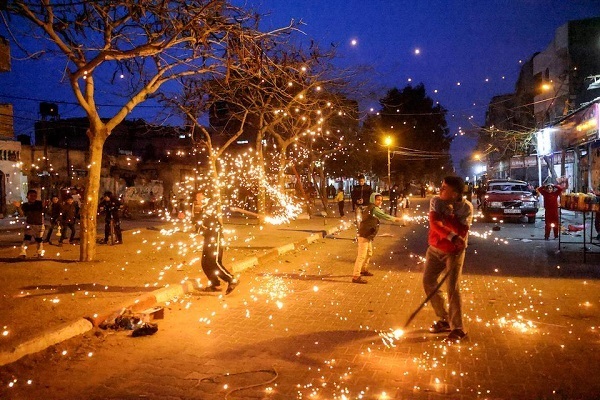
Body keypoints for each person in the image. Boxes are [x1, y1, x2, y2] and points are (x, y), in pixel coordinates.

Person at [423, 176, 473, 343]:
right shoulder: (436, 201)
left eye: (445, 188)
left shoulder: (466, 208)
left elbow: (462, 232)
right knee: (428, 282)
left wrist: (450, 217)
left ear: (455, 194)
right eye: (441, 186)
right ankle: (444, 318)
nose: (440, 190)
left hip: (454, 252)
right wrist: (451, 236)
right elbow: (434, 224)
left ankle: (459, 328)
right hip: (435, 249)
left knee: (452, 287)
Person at [352, 192, 403, 284]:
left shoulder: (372, 208)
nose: (380, 201)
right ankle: (356, 276)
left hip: (367, 234)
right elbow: (384, 216)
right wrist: (396, 219)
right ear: (373, 199)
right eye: (378, 199)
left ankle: (363, 270)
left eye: (381, 200)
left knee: (369, 253)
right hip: (364, 234)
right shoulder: (374, 208)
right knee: (362, 256)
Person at [197, 191, 239, 294]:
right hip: (208, 237)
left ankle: (231, 280)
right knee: (205, 263)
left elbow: (209, 217)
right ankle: (214, 283)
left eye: (200, 197)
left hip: (215, 237)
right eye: (197, 198)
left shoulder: (209, 207)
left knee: (214, 262)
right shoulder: (202, 209)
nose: (198, 200)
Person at [14, 189, 45, 258]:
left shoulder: (39, 203)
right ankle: (23, 253)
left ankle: (40, 253)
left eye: (34, 196)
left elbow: (43, 209)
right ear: (27, 196)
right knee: (27, 239)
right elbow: (22, 214)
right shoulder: (25, 205)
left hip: (39, 224)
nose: (33, 197)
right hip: (30, 224)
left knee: (39, 239)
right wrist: (18, 207)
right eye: (31, 196)